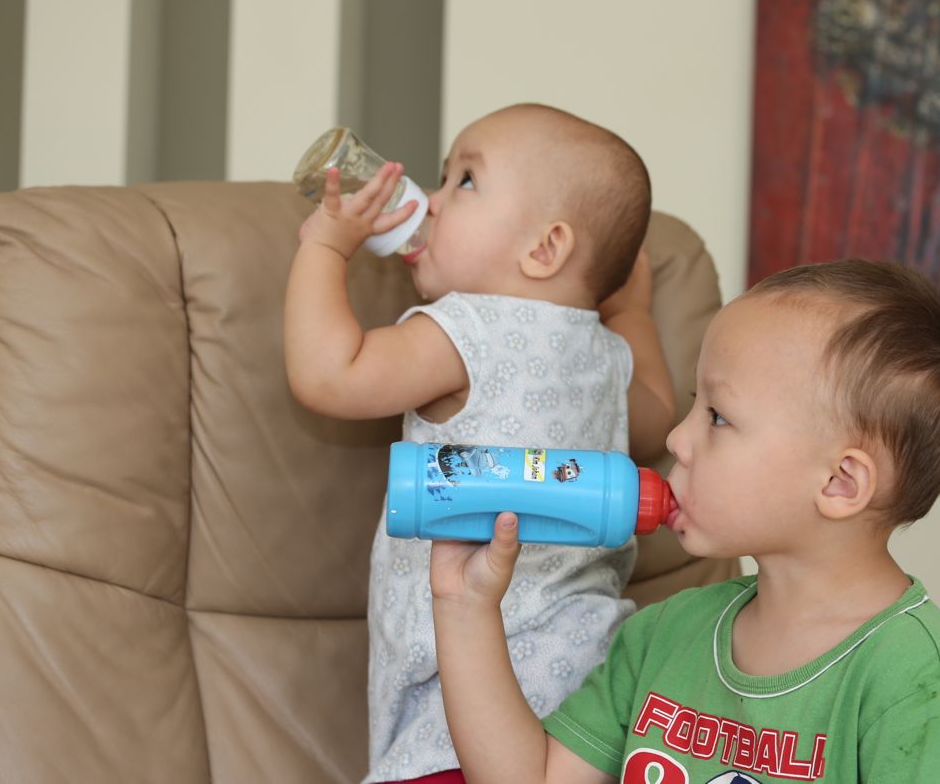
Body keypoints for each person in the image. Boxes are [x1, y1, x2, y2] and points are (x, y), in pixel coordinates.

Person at [429, 260, 940, 783]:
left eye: (718, 417)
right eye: (693, 405)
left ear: (839, 483)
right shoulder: (665, 635)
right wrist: (464, 607)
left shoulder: (922, 692)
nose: (676, 439)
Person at [283, 103, 676, 784]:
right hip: (586, 702)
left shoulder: (466, 329)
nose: (430, 202)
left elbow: (329, 375)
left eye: (463, 181)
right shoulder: (606, 356)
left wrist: (324, 248)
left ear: (545, 249)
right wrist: (634, 313)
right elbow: (659, 417)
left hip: (463, 715)